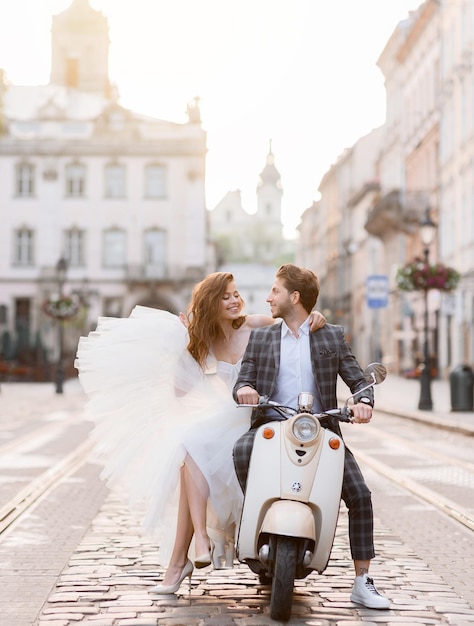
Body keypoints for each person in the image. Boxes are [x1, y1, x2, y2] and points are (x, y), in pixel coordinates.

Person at [75, 271, 326, 595]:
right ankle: (196, 548)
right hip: (229, 415)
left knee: (189, 453)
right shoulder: (204, 340)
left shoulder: (257, 324)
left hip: (264, 414)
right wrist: (182, 344)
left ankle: (184, 559)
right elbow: (179, 392)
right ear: (211, 303)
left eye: (236, 294)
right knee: (188, 447)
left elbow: (295, 330)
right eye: (226, 296)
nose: (235, 300)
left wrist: (314, 317)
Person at [232, 263, 390, 610]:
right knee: (242, 450)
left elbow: (358, 378)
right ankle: (258, 526)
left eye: (275, 290)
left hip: (321, 429)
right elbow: (244, 378)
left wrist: (363, 400)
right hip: (272, 426)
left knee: (360, 495)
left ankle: (363, 580)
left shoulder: (329, 335)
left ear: (295, 296)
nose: (268, 296)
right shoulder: (263, 337)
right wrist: (244, 389)